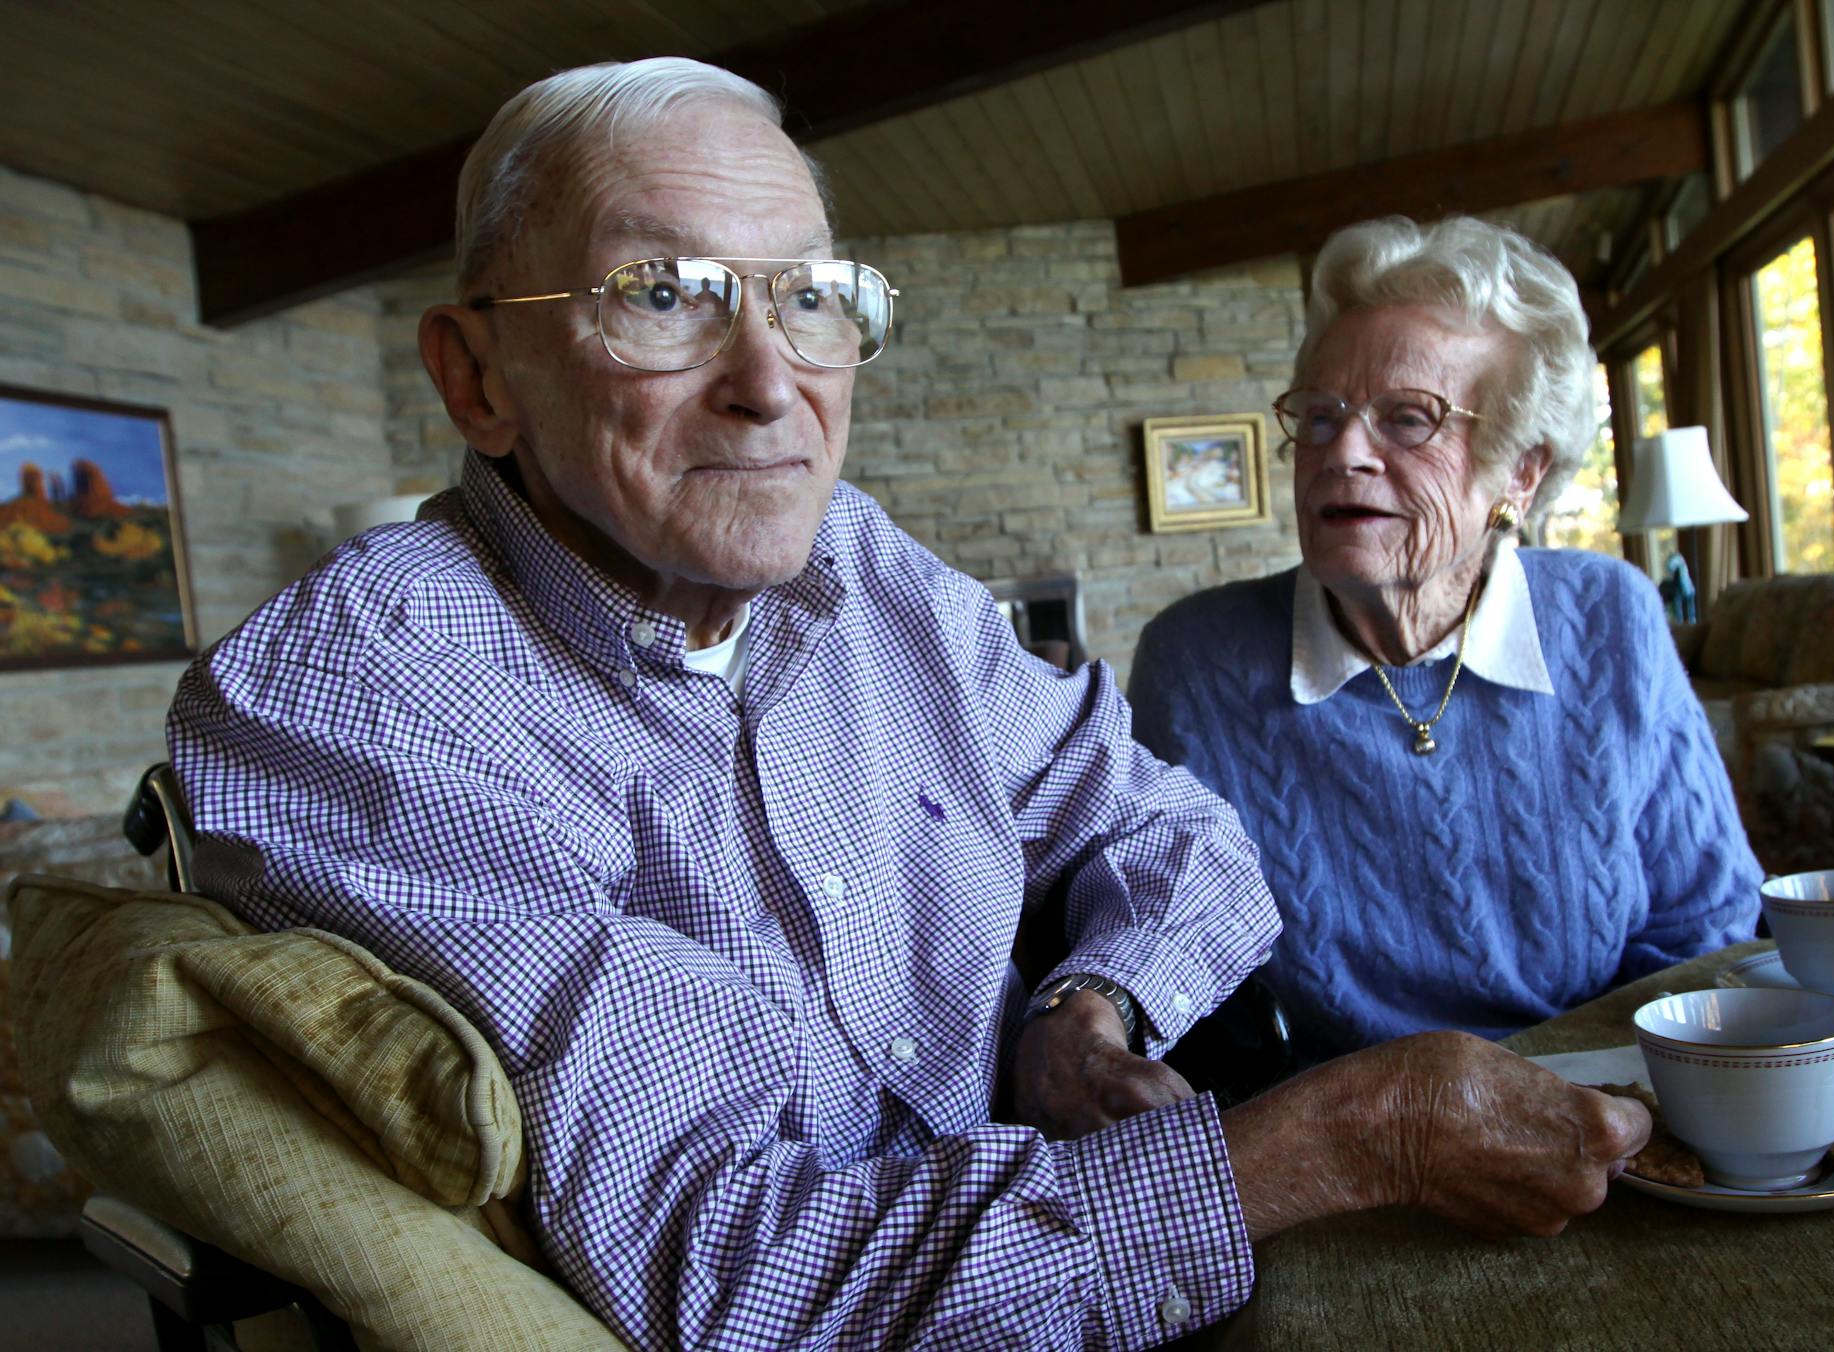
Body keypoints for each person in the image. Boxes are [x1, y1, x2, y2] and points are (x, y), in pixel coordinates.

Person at [166, 63, 1652, 1351]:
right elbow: (741, 1283)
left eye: (811, 300)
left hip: (1104, 1270)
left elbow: (1169, 827)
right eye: (664, 296)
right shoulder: (368, 693)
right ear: (477, 377)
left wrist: (1087, 1004)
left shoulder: (865, 572)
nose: (769, 380)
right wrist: (1338, 1141)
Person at [1129, 215, 1762, 1067]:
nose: (1341, 451)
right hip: (1342, 1138)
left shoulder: (1609, 618)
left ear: (1520, 471)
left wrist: (1580, 1094)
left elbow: (1707, 925)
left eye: (1408, 419)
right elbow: (1166, 958)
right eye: (1319, 416)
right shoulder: (1195, 661)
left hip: (1607, 1098)